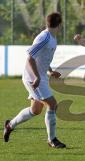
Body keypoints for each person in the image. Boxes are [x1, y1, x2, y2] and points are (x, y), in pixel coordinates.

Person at [3, 12, 66, 148]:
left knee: (35, 110)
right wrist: (37, 77)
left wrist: (50, 71)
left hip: (40, 76)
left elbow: (42, 57)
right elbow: (30, 57)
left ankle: (9, 125)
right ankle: (52, 140)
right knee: (52, 104)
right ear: (60, 25)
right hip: (32, 77)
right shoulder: (44, 37)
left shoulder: (52, 38)